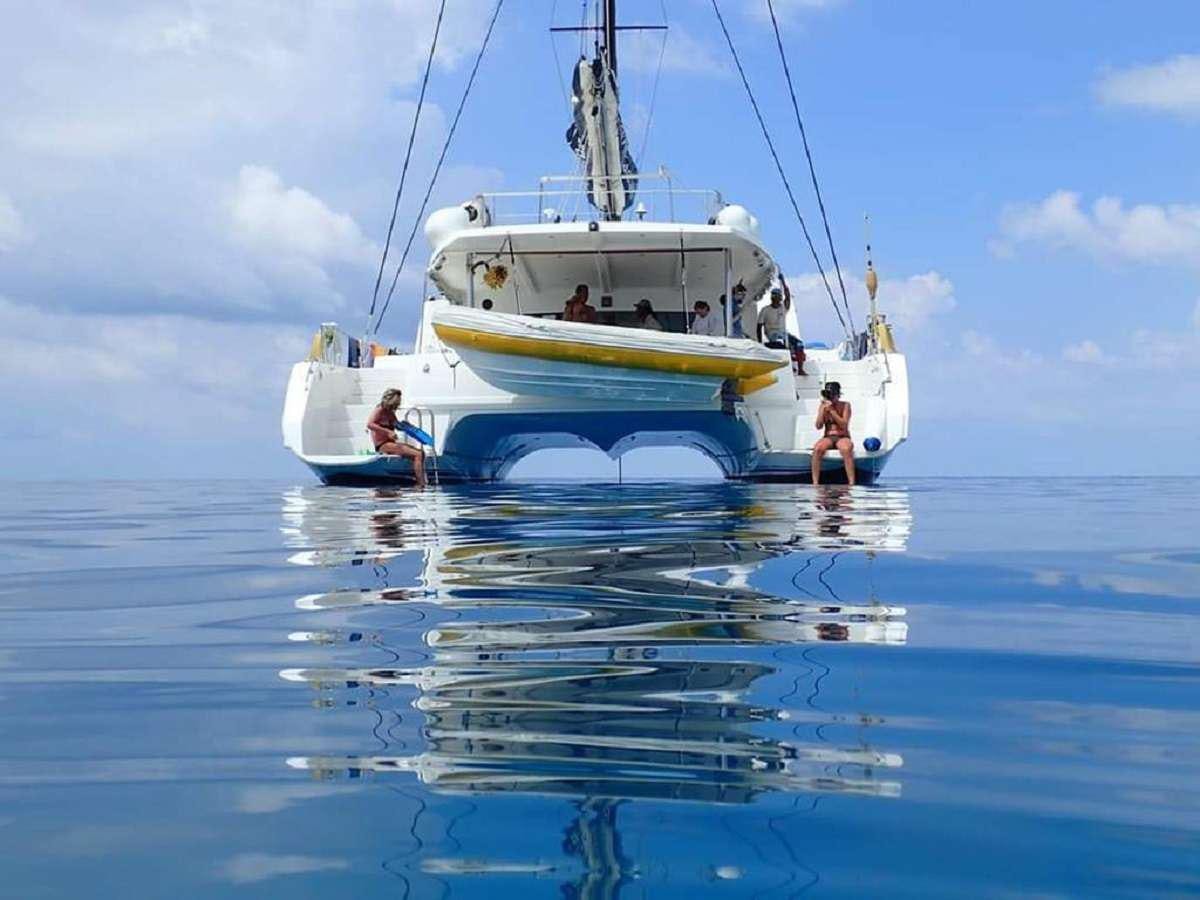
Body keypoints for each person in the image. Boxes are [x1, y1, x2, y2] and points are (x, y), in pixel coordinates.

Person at [366, 388, 427, 487]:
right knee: (418, 454)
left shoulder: (390, 412)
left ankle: (418, 480)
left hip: (391, 443)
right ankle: (421, 484)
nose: (398, 404)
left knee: (420, 454)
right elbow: (370, 424)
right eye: (397, 401)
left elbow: (396, 424)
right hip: (382, 445)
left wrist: (405, 426)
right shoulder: (379, 410)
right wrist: (387, 431)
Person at [811, 381, 854, 486]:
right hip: (829, 436)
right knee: (817, 449)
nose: (831, 398)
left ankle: (851, 482)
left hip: (842, 436)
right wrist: (822, 411)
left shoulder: (845, 405)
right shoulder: (823, 406)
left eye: (833, 395)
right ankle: (815, 483)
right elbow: (818, 426)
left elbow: (844, 424)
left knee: (846, 449)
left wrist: (832, 411)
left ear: (838, 395)